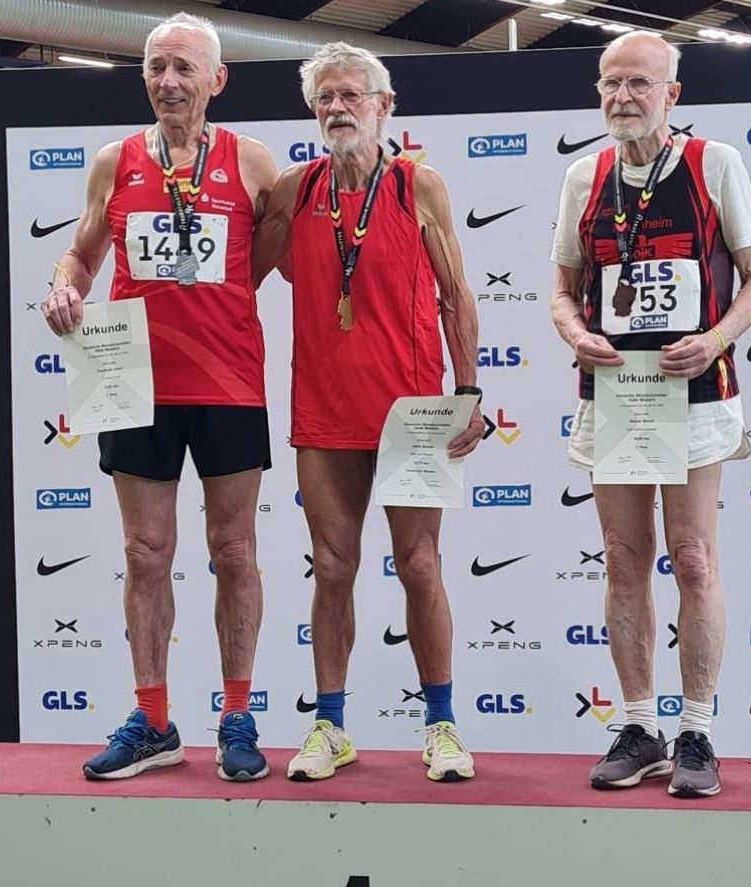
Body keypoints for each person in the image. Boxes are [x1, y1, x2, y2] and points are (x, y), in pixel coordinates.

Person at [41, 12, 279, 782]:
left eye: (183, 68)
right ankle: (151, 721)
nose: (168, 81)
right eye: (156, 67)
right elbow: (80, 253)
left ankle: (237, 712)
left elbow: (269, 261)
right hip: (131, 381)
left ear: (217, 79)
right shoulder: (115, 161)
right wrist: (61, 290)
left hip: (229, 382)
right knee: (145, 553)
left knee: (233, 550)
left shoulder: (251, 162)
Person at [252, 42, 484, 783]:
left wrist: (469, 391)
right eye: (326, 97)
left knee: (420, 564)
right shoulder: (293, 191)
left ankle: (442, 724)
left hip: (411, 412)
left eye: (353, 95)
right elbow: (237, 279)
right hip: (322, 412)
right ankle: (331, 724)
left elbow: (456, 294)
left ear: (385, 107)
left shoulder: (420, 186)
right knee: (333, 569)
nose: (338, 108)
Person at [549, 32, 751, 797]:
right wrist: (578, 335)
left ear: (671, 94)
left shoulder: (715, 164)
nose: (621, 97)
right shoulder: (585, 175)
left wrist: (714, 338)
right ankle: (639, 725)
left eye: (638, 83)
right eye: (609, 83)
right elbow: (561, 291)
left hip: (696, 391)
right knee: (622, 557)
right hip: (616, 393)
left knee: (695, 556)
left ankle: (699, 731)